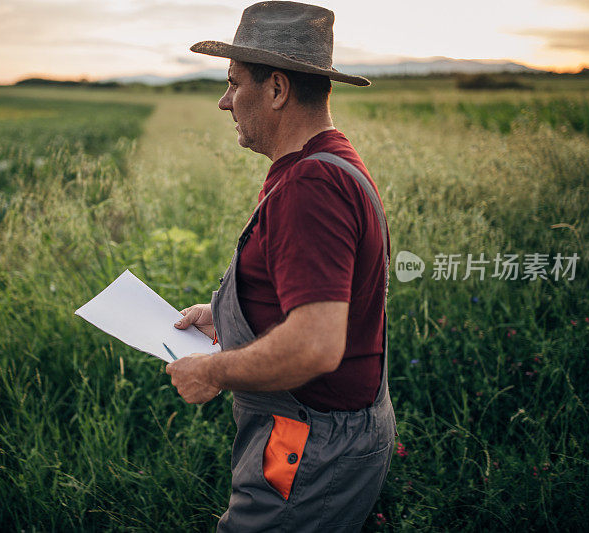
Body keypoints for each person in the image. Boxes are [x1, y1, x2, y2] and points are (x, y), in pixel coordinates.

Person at [165, 2, 396, 531]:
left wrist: (211, 370)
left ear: (275, 89)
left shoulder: (311, 186)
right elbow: (310, 301)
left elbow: (315, 344)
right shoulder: (326, 163)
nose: (224, 102)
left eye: (232, 83)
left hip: (311, 450)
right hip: (323, 437)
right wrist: (225, 316)